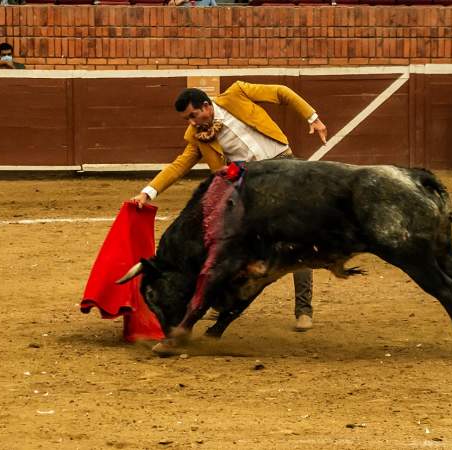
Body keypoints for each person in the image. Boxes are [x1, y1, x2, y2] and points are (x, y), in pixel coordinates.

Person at [130, 82, 328, 332]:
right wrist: (148, 192)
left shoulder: (237, 93)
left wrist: (313, 118)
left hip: (284, 168)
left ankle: (303, 308)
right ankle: (223, 298)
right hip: (250, 187)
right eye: (186, 119)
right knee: (232, 242)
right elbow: (180, 165)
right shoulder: (197, 136)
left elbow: (281, 92)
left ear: (206, 106)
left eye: (193, 115)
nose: (191, 122)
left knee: (298, 237)